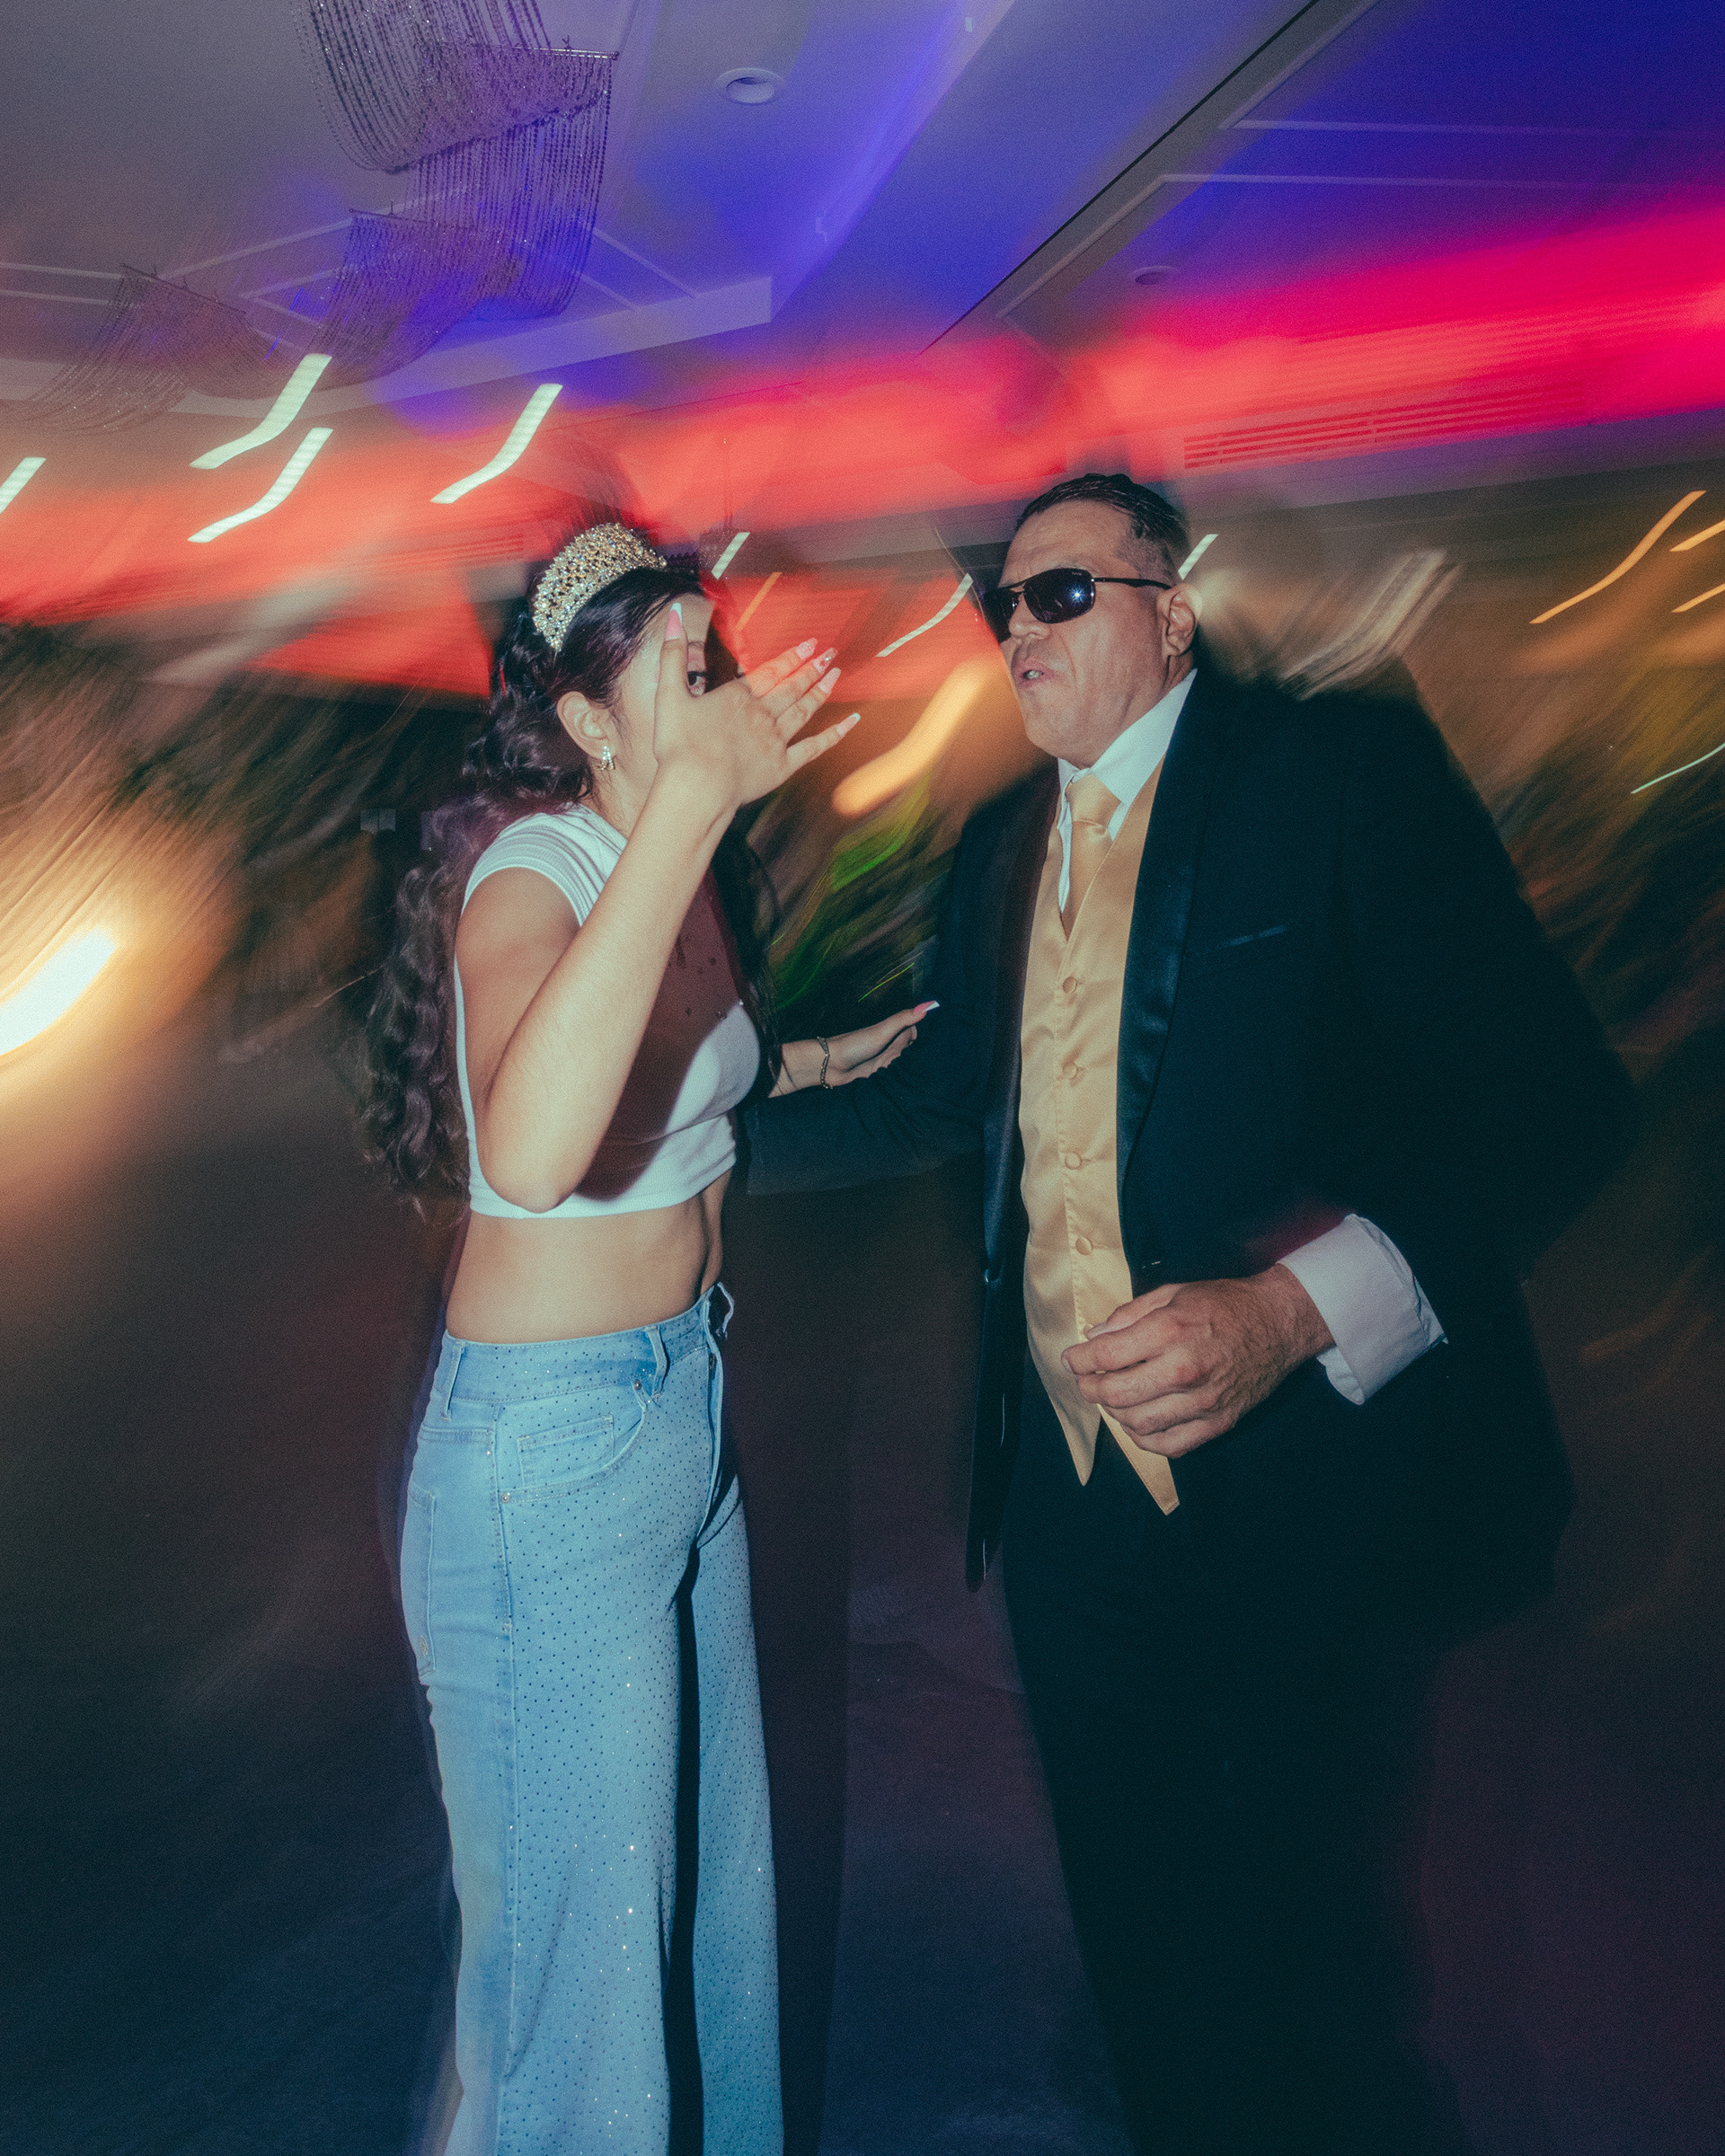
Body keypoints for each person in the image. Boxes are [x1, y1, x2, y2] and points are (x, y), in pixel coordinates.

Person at [743, 473, 1637, 2154]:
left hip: (1298, 1496)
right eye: (1003, 604)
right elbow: (942, 1095)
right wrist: (659, 1158)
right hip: (1067, 1510)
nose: (1018, 628)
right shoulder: (1000, 840)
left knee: (1303, 1976)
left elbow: (1549, 1101)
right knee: (1139, 1954)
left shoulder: (1333, 778)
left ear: (1172, 615)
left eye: (1062, 594)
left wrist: (1294, 1311)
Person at [362, 523, 928, 2156]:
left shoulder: (670, 864)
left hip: (676, 1415)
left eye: (712, 653)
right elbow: (537, 1150)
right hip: (550, 1457)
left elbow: (674, 1072)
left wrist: (807, 1062)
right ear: (587, 722)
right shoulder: (536, 871)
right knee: (576, 2008)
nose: (717, 685)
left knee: (700, 1933)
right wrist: (690, 807)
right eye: (679, 668)